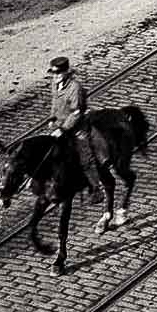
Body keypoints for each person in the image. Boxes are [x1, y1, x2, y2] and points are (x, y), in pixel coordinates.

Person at [47, 54, 108, 202]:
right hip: (59, 125)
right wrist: (52, 119)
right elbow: (55, 104)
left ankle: (96, 188)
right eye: (53, 73)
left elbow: (77, 112)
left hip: (77, 127)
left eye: (58, 73)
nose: (55, 76)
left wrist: (63, 129)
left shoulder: (75, 88)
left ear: (66, 72)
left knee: (85, 158)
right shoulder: (55, 85)